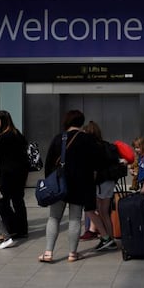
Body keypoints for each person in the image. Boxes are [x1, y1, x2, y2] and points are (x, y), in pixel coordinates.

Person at [38, 110, 115, 263]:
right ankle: (73, 253)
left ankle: (48, 253)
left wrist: (50, 182)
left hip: (59, 184)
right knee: (75, 218)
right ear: (81, 122)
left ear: (66, 121)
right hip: (80, 184)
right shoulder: (88, 139)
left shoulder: (58, 139)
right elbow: (99, 161)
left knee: (54, 217)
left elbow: (48, 164)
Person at [0, 110, 29, 239]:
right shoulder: (17, 134)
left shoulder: (3, 137)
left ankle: (10, 228)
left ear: (0, 121)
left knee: (3, 202)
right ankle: (23, 230)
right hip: (21, 173)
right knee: (19, 201)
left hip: (8, 174)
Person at [83, 120, 118, 242]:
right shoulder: (106, 145)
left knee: (96, 211)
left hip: (100, 183)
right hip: (109, 181)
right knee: (104, 213)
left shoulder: (93, 148)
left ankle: (107, 238)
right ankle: (110, 238)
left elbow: (94, 169)